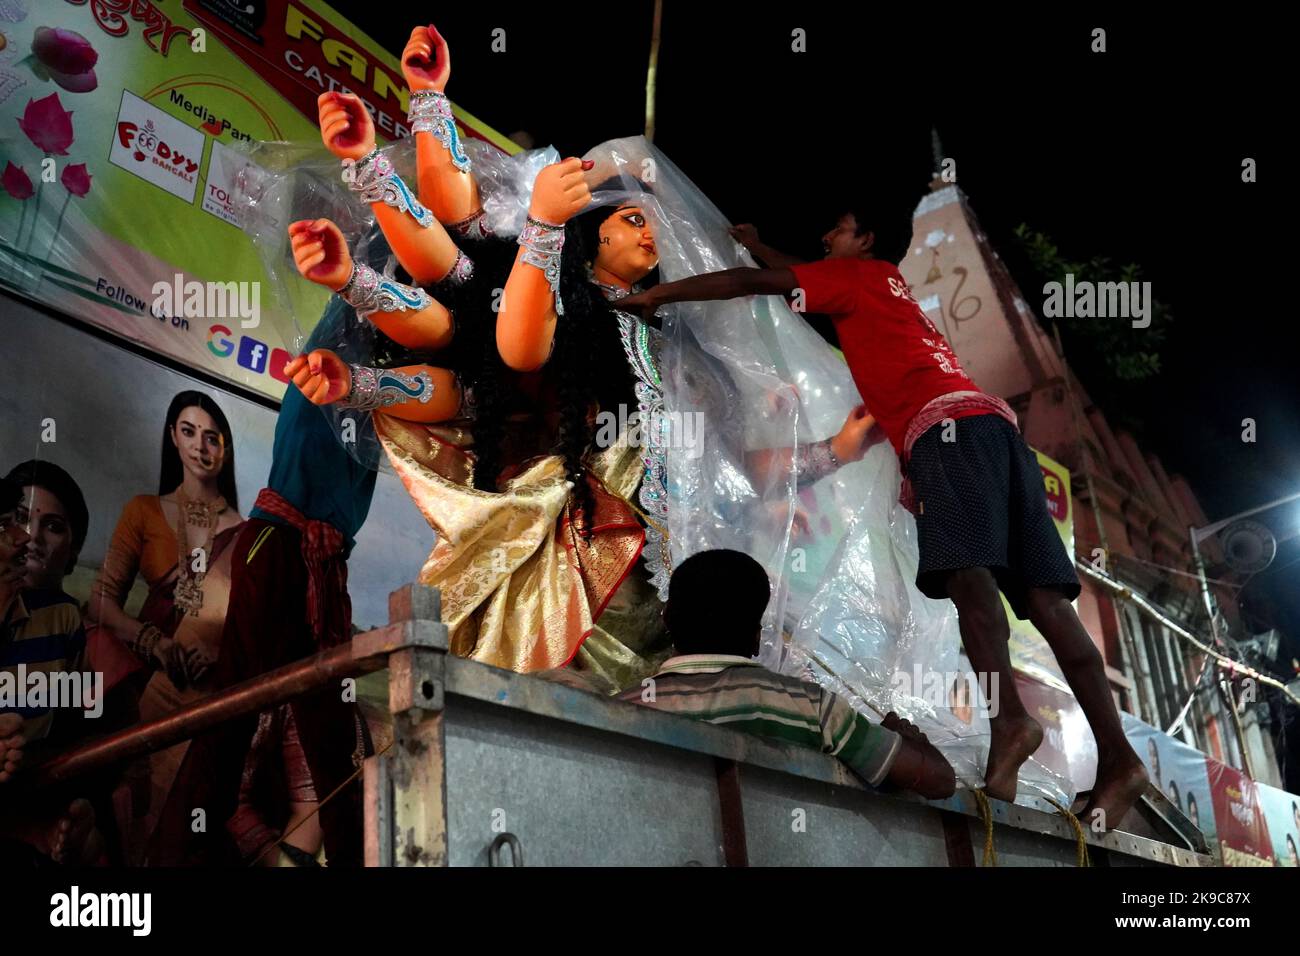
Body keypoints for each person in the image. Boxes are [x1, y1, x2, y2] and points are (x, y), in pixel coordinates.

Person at [284, 24, 882, 694]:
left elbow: (742, 469)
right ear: (588, 238)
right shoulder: (566, 313)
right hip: (576, 563)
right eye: (631, 220)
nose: (651, 232)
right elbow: (506, 357)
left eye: (656, 225)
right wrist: (532, 220)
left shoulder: (686, 351)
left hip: (674, 587)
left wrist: (841, 447)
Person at [621, 209, 1150, 828]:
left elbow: (749, 284)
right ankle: (1121, 759)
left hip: (946, 435)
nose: (825, 237)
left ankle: (1009, 720)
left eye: (837, 229)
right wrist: (765, 246)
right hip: (996, 431)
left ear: (865, 240)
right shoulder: (883, 294)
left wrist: (657, 294)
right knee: (1047, 602)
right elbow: (793, 277)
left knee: (967, 581)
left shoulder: (861, 277)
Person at [619, 549, 956, 798]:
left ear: (667, 620)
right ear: (756, 636)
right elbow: (939, 782)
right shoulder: (812, 707)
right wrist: (911, 742)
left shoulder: (624, 710)